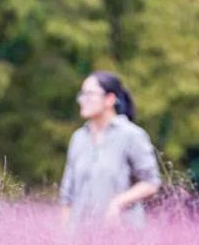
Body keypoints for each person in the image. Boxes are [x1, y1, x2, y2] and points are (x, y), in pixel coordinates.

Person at [58, 71, 162, 229]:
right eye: (82, 95)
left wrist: (118, 203)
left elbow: (151, 183)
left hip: (123, 235)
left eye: (90, 94)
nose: (82, 100)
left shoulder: (132, 135)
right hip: (82, 236)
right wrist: (64, 236)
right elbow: (67, 196)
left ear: (110, 99)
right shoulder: (78, 138)